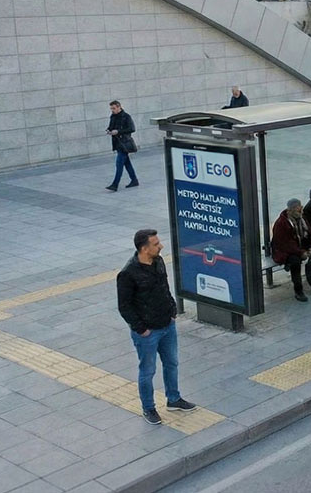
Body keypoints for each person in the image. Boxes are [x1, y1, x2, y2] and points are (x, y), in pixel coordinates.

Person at [116, 229, 197, 425]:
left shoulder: (158, 261)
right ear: (144, 249)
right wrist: (141, 329)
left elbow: (164, 287)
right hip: (147, 332)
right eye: (156, 244)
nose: (160, 246)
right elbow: (124, 306)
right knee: (148, 370)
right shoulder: (128, 274)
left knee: (172, 363)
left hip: (167, 324)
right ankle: (149, 408)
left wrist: (172, 310)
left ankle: (174, 398)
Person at [271, 198, 311, 302]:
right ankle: (298, 290)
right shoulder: (281, 223)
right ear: (290, 210)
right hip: (284, 251)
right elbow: (285, 244)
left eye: (300, 209)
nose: (300, 212)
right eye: (298, 210)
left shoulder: (302, 219)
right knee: (295, 262)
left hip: (299, 247)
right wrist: (301, 253)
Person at [105, 100, 138, 192]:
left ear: (119, 107)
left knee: (119, 164)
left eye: (114, 108)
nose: (112, 110)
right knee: (127, 163)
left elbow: (132, 128)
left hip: (124, 143)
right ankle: (134, 180)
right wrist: (109, 130)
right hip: (117, 143)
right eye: (111, 108)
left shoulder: (126, 117)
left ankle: (115, 184)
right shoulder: (113, 116)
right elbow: (111, 126)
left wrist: (118, 131)